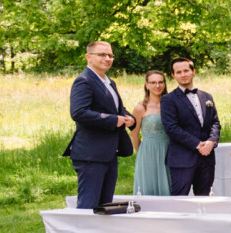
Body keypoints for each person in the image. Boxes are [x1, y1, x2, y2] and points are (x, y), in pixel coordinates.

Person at [64, 41, 136, 209]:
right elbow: (79, 113)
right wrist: (113, 120)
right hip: (91, 154)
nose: (107, 58)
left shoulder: (109, 82)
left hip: (109, 152)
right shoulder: (84, 81)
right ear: (88, 57)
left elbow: (116, 108)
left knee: (105, 206)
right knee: (89, 205)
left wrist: (128, 117)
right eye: (102, 54)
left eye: (110, 55)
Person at [160, 56, 221, 196]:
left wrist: (212, 141)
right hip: (182, 159)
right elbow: (171, 128)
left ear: (193, 71)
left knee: (204, 198)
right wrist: (198, 144)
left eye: (186, 70)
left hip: (207, 159)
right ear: (173, 75)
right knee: (179, 200)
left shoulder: (207, 97)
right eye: (179, 72)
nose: (183, 74)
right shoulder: (168, 100)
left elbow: (215, 122)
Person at [130, 70, 171, 196]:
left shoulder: (171, 105)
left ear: (164, 84)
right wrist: (143, 154)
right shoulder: (140, 108)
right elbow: (134, 134)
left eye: (160, 82)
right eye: (153, 82)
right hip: (148, 152)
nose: (157, 86)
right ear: (146, 85)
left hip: (170, 150)